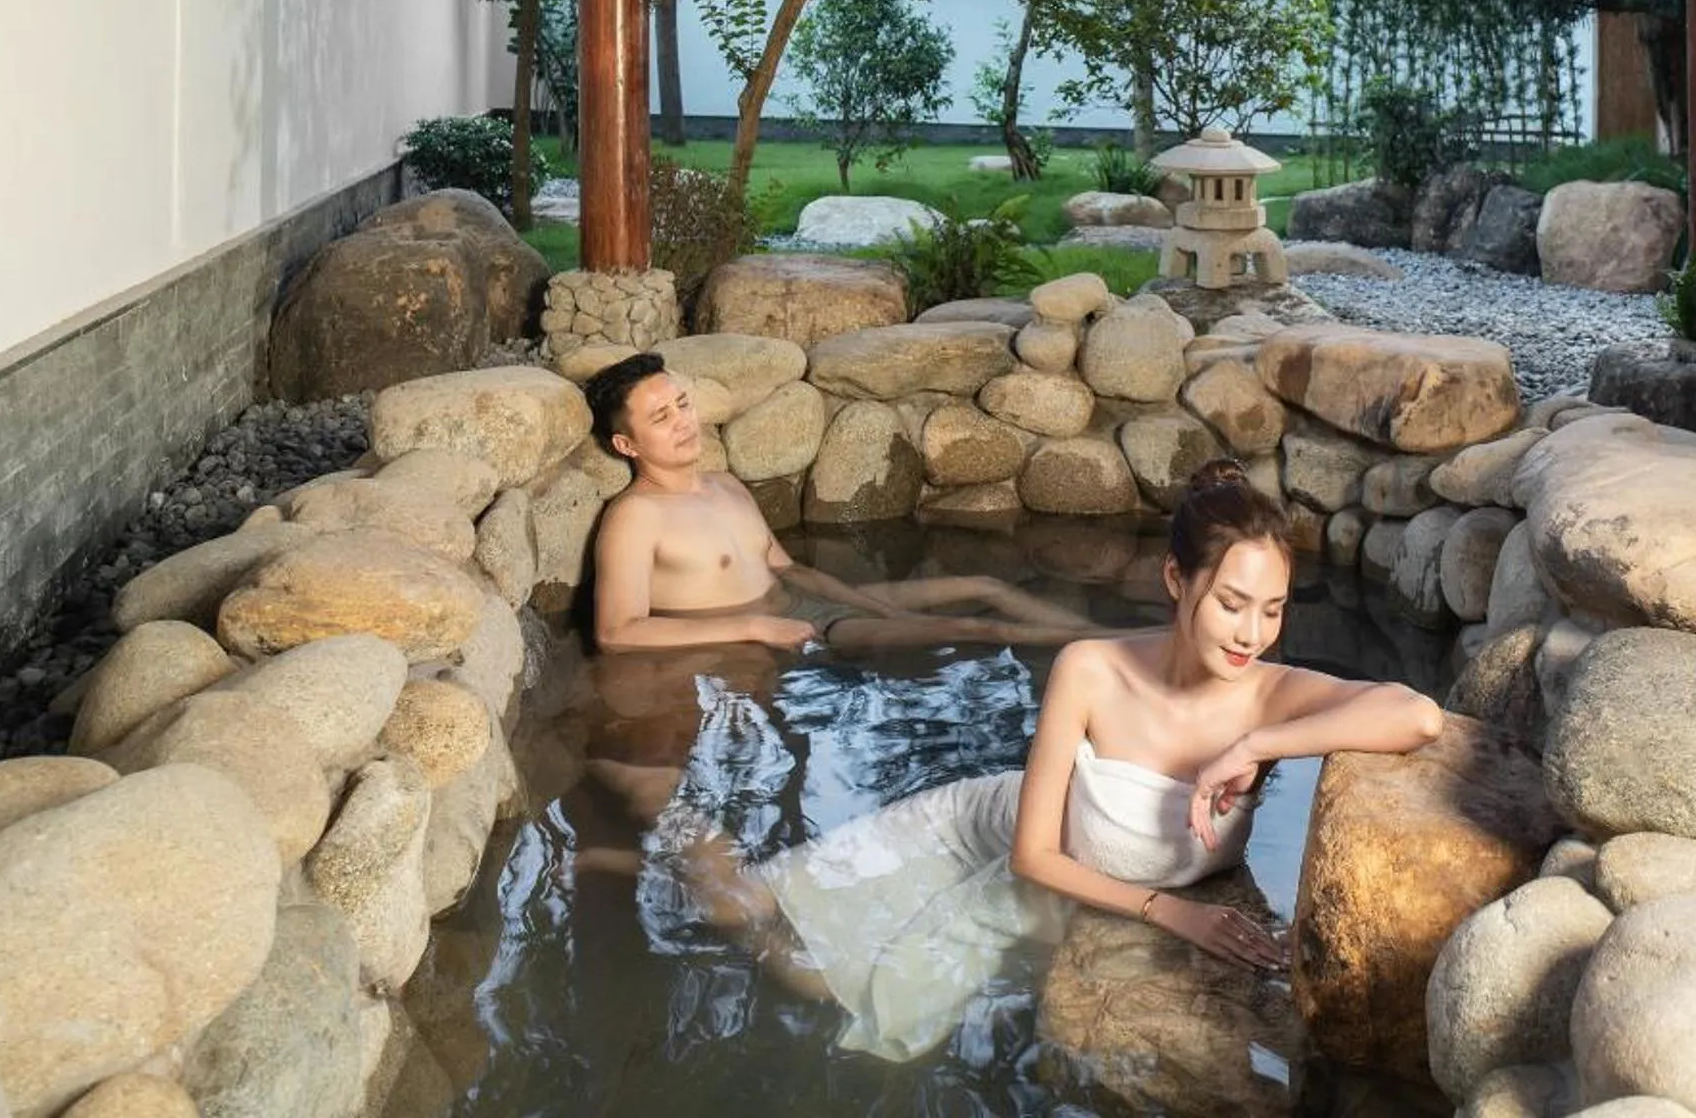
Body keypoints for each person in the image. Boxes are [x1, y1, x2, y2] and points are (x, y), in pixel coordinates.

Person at [674, 459, 1445, 1061]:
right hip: (986, 826)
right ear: (1176, 581)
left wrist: (1257, 743)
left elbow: (1418, 713)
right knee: (754, 910)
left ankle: (671, 830)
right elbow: (1033, 854)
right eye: (1231, 603)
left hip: (1052, 874)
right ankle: (661, 820)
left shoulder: (1269, 696)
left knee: (845, 986)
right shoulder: (1091, 668)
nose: (1252, 634)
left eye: (1272, 610)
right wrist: (1171, 912)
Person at [584, 352, 1102, 654]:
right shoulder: (636, 517)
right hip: (800, 632)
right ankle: (1126, 648)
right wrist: (755, 627)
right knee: (978, 627)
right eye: (661, 418)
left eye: (682, 405)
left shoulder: (726, 487)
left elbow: (790, 570)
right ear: (626, 445)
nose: (683, 423)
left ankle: (1101, 635)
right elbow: (616, 631)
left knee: (983, 585)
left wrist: (869, 601)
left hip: (816, 607)